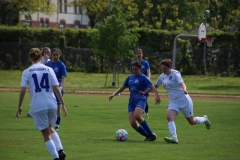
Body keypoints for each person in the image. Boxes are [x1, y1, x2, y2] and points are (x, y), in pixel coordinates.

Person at [16, 48, 67, 160]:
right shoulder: (49, 69)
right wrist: (63, 104)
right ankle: (61, 150)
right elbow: (56, 88)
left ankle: (55, 157)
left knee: (45, 133)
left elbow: (23, 90)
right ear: (41, 57)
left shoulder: (27, 71)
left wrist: (19, 106)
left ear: (30, 58)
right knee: (50, 127)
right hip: (52, 103)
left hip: (38, 105)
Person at [154, 59, 211, 144]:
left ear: (170, 67)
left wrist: (184, 89)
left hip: (184, 100)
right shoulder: (162, 76)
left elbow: (182, 83)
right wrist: (144, 92)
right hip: (173, 102)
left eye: (165, 68)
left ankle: (204, 119)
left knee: (191, 122)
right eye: (162, 68)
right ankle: (174, 138)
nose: (163, 70)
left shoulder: (175, 73)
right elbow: (154, 86)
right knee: (169, 117)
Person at [109, 61, 160, 141]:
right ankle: (149, 136)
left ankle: (151, 133)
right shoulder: (130, 77)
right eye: (133, 69)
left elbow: (153, 87)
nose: (134, 71)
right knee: (133, 123)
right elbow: (122, 88)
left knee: (137, 115)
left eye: (136, 69)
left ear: (140, 69)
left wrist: (157, 97)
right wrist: (113, 94)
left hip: (141, 99)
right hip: (132, 101)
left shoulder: (143, 77)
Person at [46, 48, 67, 131]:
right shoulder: (48, 64)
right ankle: (48, 123)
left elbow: (63, 77)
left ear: (59, 55)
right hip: (49, 88)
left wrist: (61, 86)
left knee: (58, 107)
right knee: (49, 106)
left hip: (57, 88)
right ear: (52, 55)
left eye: (57, 54)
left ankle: (57, 124)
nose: (55, 56)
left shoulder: (61, 65)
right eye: (54, 54)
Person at [27, 47, 51, 117]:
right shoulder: (40, 59)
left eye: (49, 52)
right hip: (38, 81)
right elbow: (39, 68)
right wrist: (45, 61)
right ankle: (32, 111)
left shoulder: (50, 61)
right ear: (42, 53)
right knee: (36, 97)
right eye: (46, 52)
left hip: (45, 82)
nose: (48, 53)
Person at [130, 48, 151, 119]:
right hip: (136, 84)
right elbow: (131, 74)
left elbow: (148, 72)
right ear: (135, 55)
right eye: (137, 53)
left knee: (144, 98)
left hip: (143, 84)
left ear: (142, 54)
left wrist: (148, 81)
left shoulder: (145, 63)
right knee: (136, 98)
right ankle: (139, 111)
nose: (139, 55)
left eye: (140, 53)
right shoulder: (133, 63)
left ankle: (145, 112)